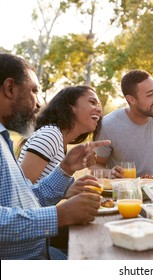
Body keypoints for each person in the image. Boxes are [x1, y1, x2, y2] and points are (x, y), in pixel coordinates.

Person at [0, 53, 110, 259]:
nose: (40, 103)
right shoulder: (50, 134)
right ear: (10, 88)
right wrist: (58, 215)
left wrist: (65, 170)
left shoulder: (4, 140)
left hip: (42, 251)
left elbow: (26, 199)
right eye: (34, 91)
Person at [18, 85, 102, 183]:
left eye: (98, 105)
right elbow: (21, 188)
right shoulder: (50, 136)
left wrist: (71, 191)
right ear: (71, 108)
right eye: (92, 102)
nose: (99, 110)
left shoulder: (61, 143)